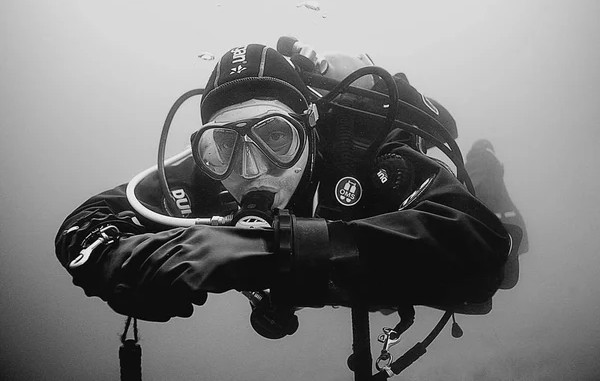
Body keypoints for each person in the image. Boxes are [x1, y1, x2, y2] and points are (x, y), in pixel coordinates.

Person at [55, 43, 511, 327]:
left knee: (505, 275)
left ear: (310, 130)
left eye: (276, 136)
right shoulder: (206, 177)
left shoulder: (364, 155)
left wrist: (273, 251)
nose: (251, 168)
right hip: (348, 277)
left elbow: (485, 247)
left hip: (404, 272)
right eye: (222, 145)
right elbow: (83, 225)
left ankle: (485, 169)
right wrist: (122, 265)